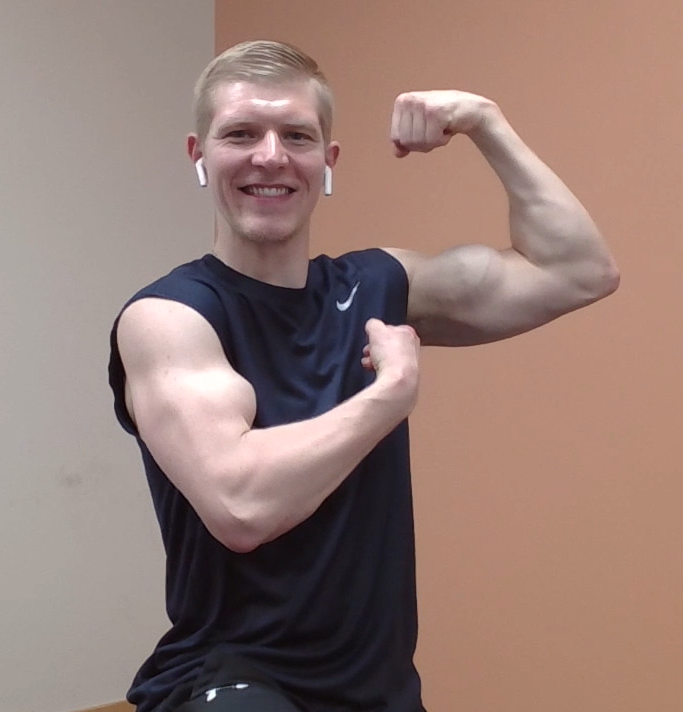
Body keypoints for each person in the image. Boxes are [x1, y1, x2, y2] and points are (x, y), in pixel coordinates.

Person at [108, 40, 619, 712]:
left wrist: (486, 123)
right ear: (198, 155)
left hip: (377, 689)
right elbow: (242, 506)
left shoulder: (375, 285)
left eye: (296, 136)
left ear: (328, 161)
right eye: (241, 134)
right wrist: (388, 398)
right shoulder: (170, 318)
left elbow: (578, 271)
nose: (270, 156)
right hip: (236, 682)